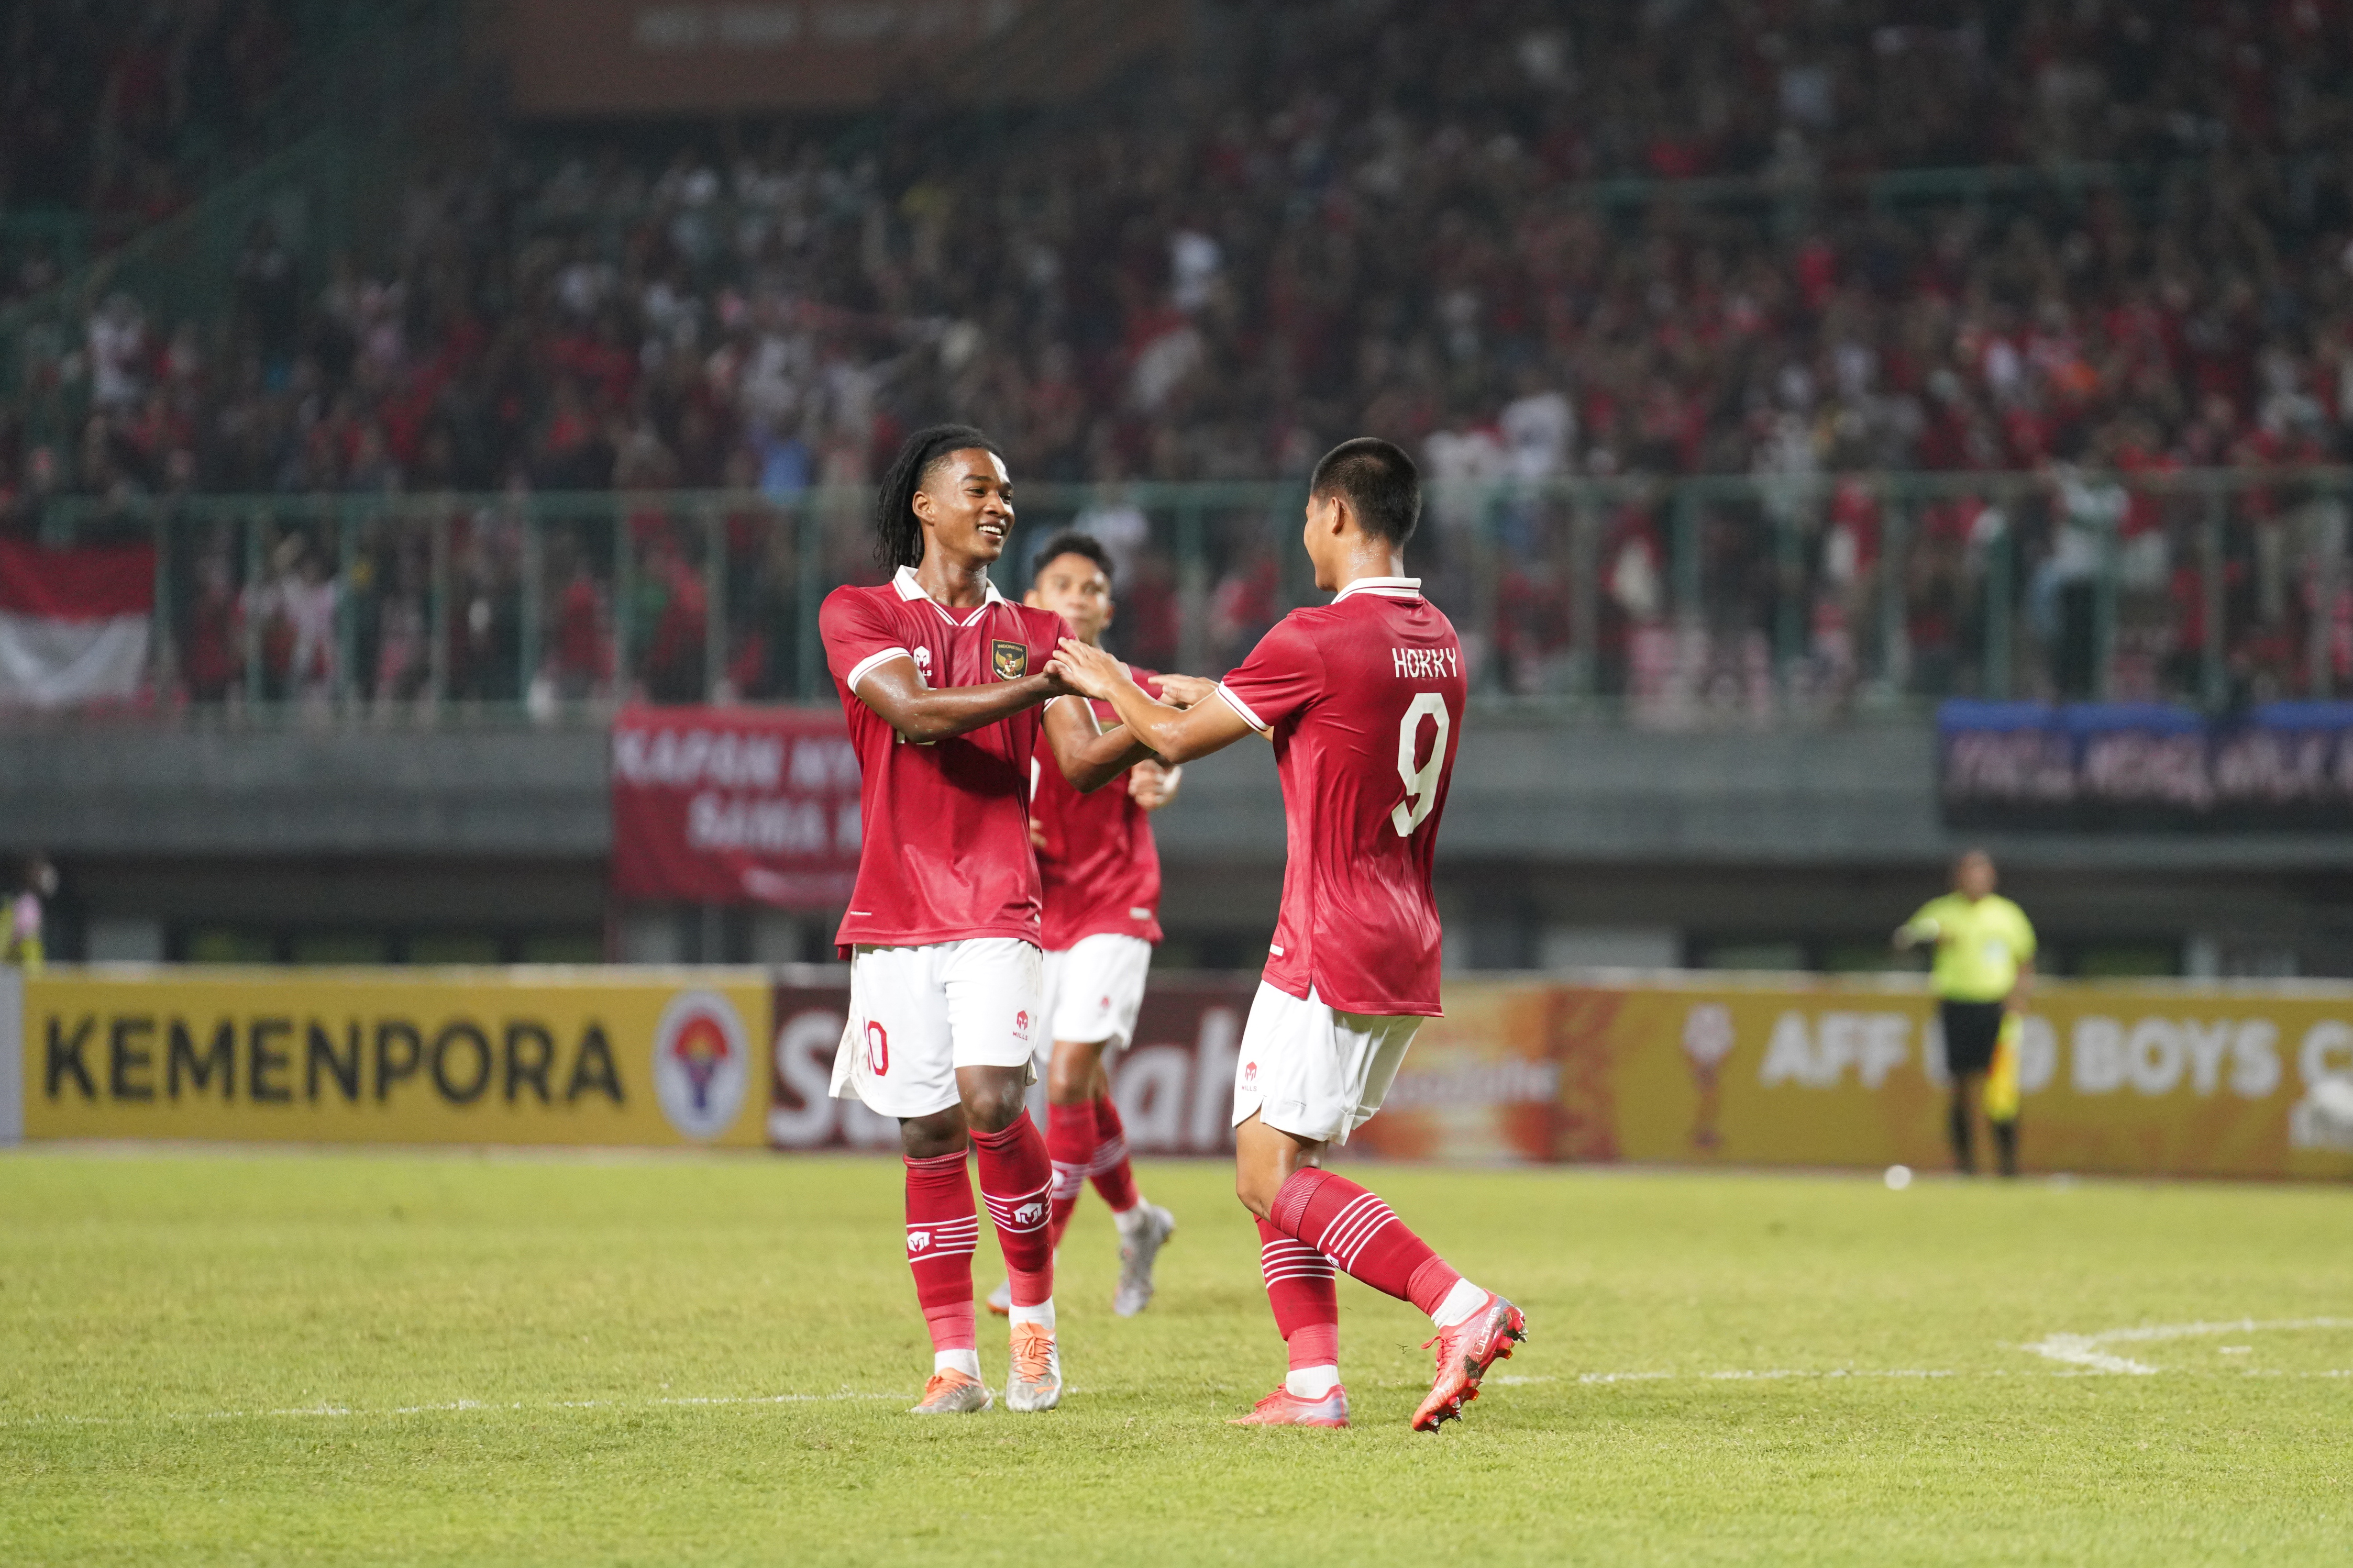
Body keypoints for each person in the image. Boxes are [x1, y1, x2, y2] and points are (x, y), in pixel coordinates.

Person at [1050, 437, 1526, 1432]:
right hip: (1404, 932)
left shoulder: (1312, 634)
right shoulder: (1437, 637)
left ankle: (1458, 1304)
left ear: (1337, 514)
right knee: (1282, 1162)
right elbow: (1331, 725)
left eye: (1309, 515)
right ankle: (1312, 1383)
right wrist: (1213, 692)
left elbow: (1169, 740)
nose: (1304, 532)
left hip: (1327, 936)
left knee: (1263, 1174)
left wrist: (1101, 679)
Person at [820, 425, 1166, 1417]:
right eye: (978, 489)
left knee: (990, 1099)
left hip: (998, 901)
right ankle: (954, 1364)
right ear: (924, 505)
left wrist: (1159, 723)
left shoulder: (1035, 629)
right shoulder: (859, 611)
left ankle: (1034, 1325)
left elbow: (1078, 760)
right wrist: (1051, 678)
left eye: (1006, 492)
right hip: (893, 906)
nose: (998, 506)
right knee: (927, 1130)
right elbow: (916, 713)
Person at [982, 533, 1206, 1321]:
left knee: (1069, 1075)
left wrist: (1167, 774)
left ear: (1108, 608)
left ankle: (1032, 1265)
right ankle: (1139, 1223)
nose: (1077, 596)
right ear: (1032, 600)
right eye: (1062, 584)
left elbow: (1180, 728)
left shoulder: (1126, 685)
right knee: (1083, 1086)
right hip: (1040, 911)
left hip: (1117, 900)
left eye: (1091, 587)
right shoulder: (1007, 684)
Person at [1894, 849, 2037, 1177]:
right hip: (1957, 1005)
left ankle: (2008, 1166)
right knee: (1960, 1086)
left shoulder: (2007, 915)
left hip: (1997, 1008)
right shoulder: (1942, 913)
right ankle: (1965, 1166)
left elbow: (2025, 960)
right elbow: (1905, 940)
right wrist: (1933, 939)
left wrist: (2019, 998)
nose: (1976, 880)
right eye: (1970, 874)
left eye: (1982, 874)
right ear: (1958, 878)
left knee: (2000, 1089)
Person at [4, 857, 56, 972]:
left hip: (31, 966)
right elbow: (20, 934)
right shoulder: (27, 903)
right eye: (39, 874)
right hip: (22, 966)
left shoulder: (34, 902)